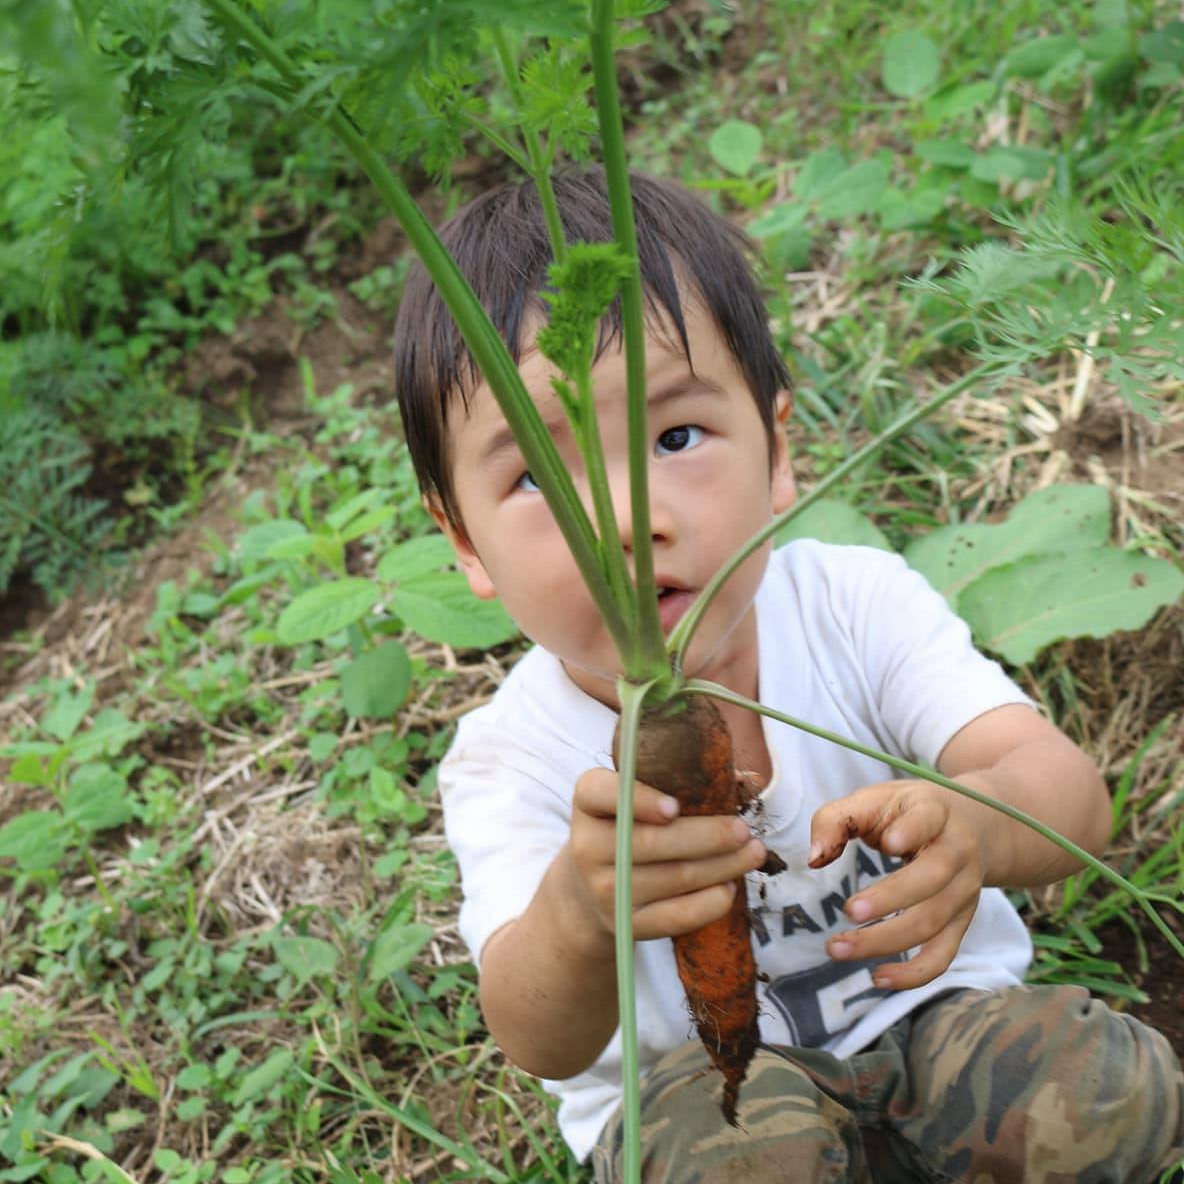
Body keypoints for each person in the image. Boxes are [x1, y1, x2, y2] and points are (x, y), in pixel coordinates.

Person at [392, 166, 1184, 1183]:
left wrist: (975, 825)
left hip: (935, 1025)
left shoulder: (853, 604)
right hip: (703, 1094)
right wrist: (578, 913)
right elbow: (535, 1036)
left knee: (1109, 1089)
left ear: (775, 450)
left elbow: (1069, 801)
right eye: (540, 479)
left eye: (674, 437)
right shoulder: (509, 758)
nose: (627, 521)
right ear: (463, 539)